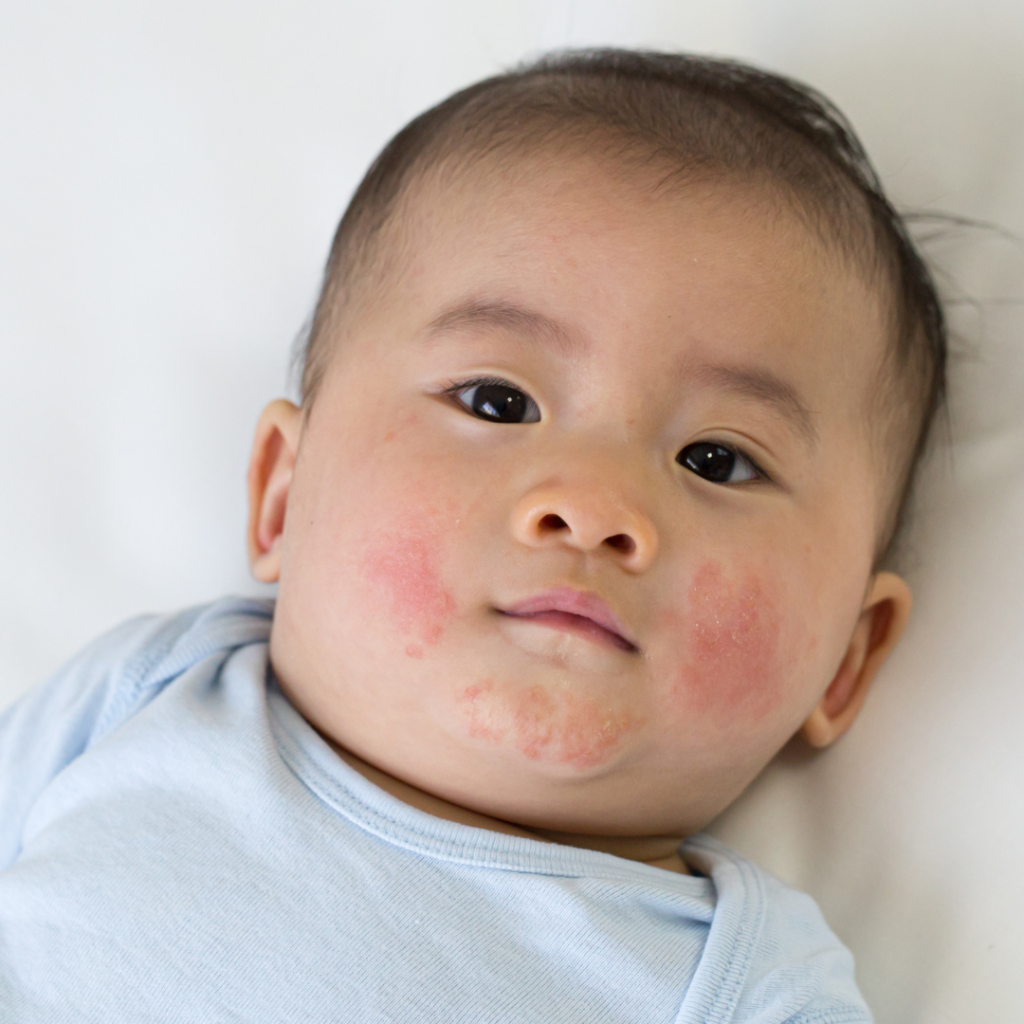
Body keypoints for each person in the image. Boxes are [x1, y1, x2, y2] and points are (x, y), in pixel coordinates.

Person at [0, 49, 945, 1022]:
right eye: (499, 401)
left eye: (716, 459)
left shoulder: (742, 988)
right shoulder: (152, 691)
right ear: (285, 494)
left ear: (845, 653)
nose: (595, 505)